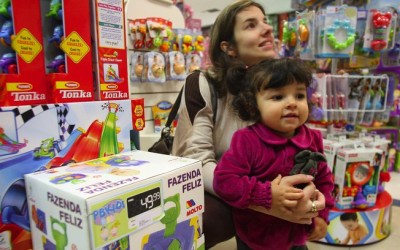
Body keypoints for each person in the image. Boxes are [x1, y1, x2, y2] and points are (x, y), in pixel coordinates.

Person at [171, 0, 328, 248]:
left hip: (272, 187)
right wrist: (265, 199)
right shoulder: (204, 83)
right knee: (216, 220)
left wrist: (316, 205)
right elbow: (195, 161)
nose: (267, 29)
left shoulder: (274, 83)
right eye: (251, 25)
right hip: (227, 182)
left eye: (266, 21)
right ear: (228, 47)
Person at [212, 58, 334, 250]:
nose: (292, 103)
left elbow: (324, 180)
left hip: (297, 233)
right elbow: (224, 181)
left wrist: (322, 215)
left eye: (300, 96)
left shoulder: (313, 138)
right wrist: (267, 194)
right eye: (278, 97)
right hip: (256, 237)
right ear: (253, 105)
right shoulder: (247, 140)